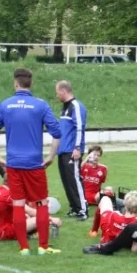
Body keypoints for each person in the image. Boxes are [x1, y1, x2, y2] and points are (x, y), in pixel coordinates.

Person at [0, 68, 61, 256]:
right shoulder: (40, 105)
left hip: (14, 164)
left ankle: (24, 248)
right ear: (31, 83)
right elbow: (57, 133)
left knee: (18, 205)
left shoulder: (5, 105)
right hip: (34, 164)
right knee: (42, 203)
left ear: (15, 84)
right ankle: (43, 246)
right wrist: (51, 156)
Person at [55, 80, 88, 220]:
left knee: (75, 179)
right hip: (62, 150)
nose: (57, 96)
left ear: (63, 91)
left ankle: (83, 209)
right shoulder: (64, 107)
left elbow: (80, 127)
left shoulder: (76, 106)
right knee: (66, 180)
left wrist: (77, 148)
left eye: (57, 93)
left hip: (71, 150)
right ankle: (74, 207)